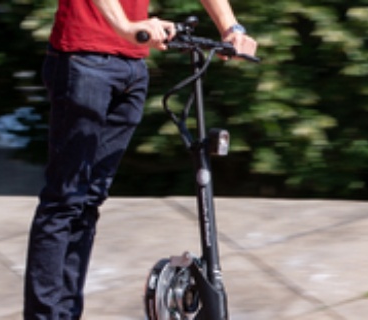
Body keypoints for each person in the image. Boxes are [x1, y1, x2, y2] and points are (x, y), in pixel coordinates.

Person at [23, 0, 257, 318]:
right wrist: (125, 26)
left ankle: (66, 313)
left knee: (89, 200)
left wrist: (231, 28)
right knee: (65, 198)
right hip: (83, 59)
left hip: (132, 66)